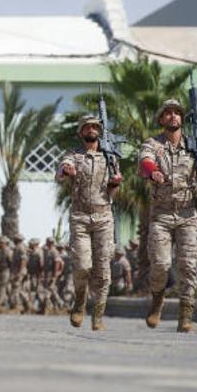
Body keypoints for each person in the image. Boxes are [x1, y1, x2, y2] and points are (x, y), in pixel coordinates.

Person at [139, 99, 197, 332]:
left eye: (177, 113)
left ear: (182, 119)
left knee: (188, 264)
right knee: (161, 264)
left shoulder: (195, 147)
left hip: (188, 214)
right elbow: (145, 163)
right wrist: (153, 173)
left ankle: (185, 317)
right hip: (161, 216)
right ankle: (157, 301)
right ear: (161, 119)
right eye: (168, 113)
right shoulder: (153, 144)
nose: (173, 116)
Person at [56, 115, 122, 330]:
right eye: (88, 127)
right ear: (81, 132)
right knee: (82, 266)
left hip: (104, 217)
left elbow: (114, 191)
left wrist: (115, 183)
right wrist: (65, 172)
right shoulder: (73, 156)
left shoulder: (110, 157)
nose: (92, 130)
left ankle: (98, 316)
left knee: (103, 269)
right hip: (81, 218)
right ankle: (80, 301)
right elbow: (61, 172)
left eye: (95, 127)